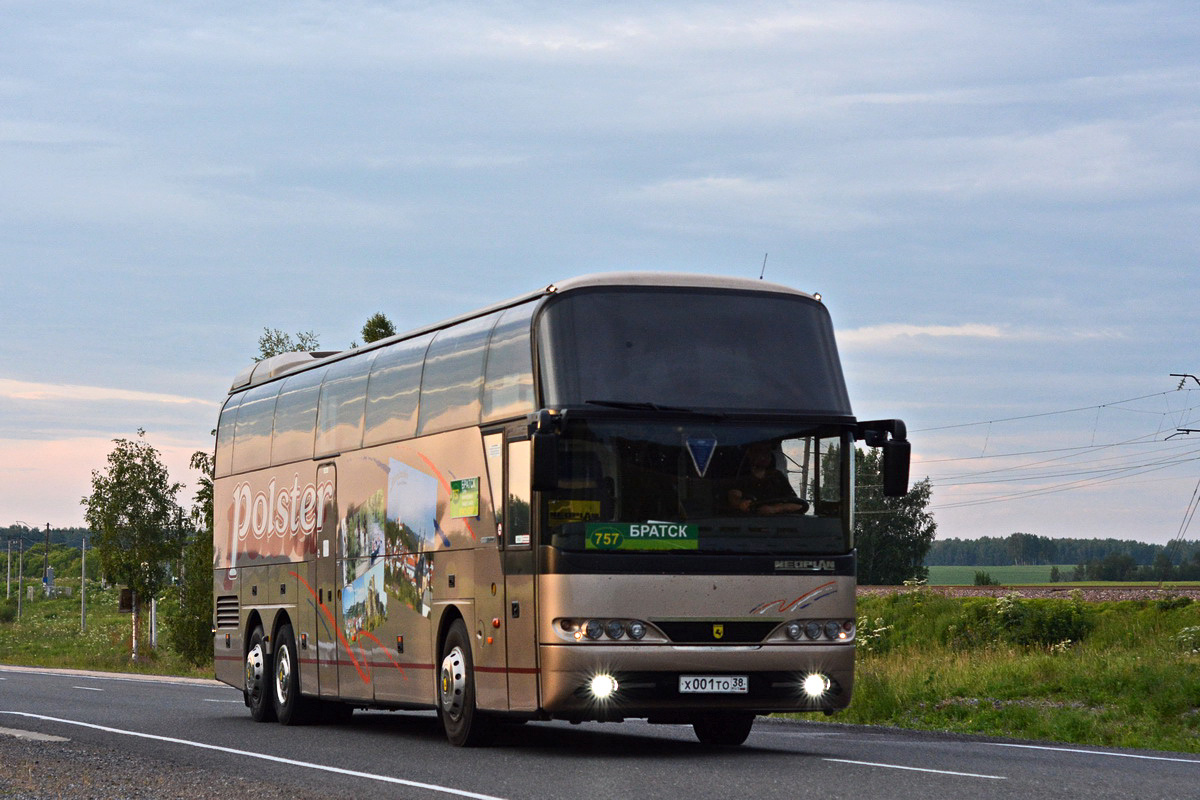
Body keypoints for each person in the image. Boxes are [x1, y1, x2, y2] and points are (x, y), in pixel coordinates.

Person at [727, 442, 809, 516]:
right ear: (749, 453)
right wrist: (741, 504)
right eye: (759, 451)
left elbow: (798, 505)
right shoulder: (741, 476)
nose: (764, 455)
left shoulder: (777, 477)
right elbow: (733, 497)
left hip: (777, 526)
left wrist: (775, 509)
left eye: (767, 451)